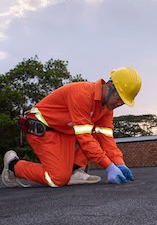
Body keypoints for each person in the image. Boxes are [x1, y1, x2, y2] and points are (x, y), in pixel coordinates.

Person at [1, 67, 141, 187]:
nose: (119, 104)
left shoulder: (106, 108)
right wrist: (108, 166)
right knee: (57, 179)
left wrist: (119, 163)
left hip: (64, 131)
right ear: (110, 86)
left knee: (96, 134)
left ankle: (75, 171)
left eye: (123, 102)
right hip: (42, 128)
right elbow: (84, 138)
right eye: (119, 98)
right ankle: (14, 166)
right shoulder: (83, 94)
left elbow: (106, 139)